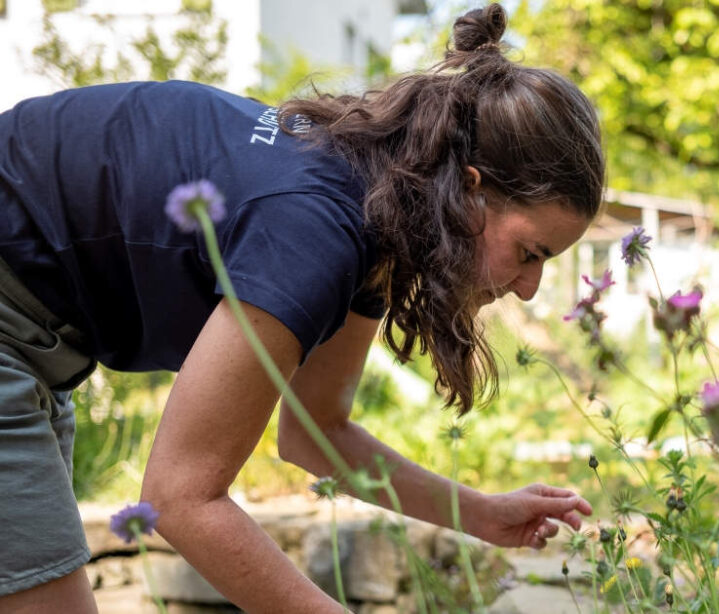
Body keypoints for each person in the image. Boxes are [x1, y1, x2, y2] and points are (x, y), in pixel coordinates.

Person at [0, 3, 603, 612]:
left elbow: (318, 431)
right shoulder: (313, 231)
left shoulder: (377, 213)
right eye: (530, 252)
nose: (530, 286)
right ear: (471, 193)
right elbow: (181, 498)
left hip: (38, 341)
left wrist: (480, 513)